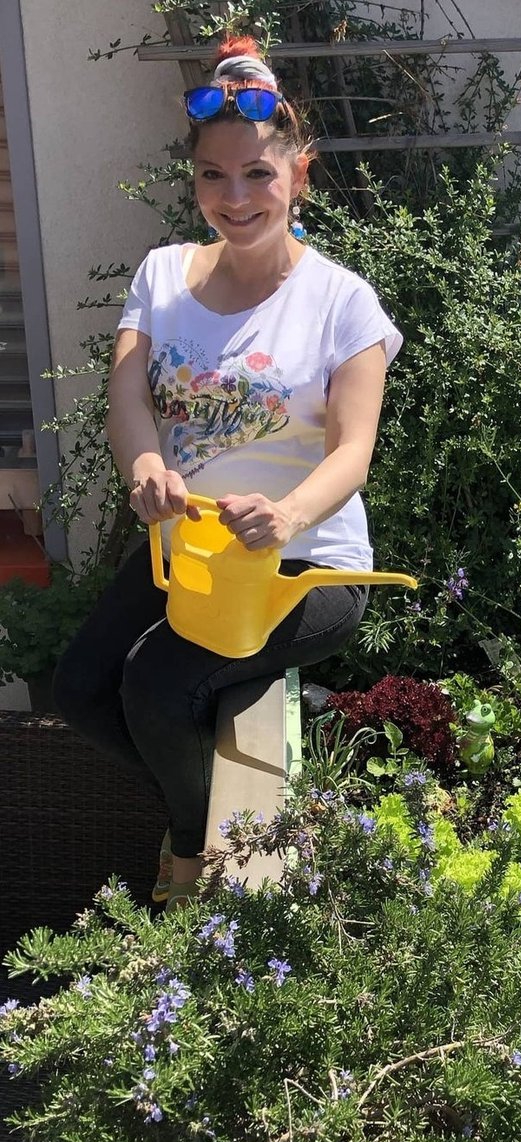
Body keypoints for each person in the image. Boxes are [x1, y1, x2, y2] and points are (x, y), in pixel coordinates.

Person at [53, 36, 402, 911]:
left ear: (299, 177)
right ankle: (217, 808)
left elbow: (353, 452)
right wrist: (143, 464)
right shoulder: (161, 276)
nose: (234, 198)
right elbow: (126, 396)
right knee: (82, 690)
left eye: (257, 175)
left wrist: (285, 516)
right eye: (214, 176)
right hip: (193, 555)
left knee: (154, 684)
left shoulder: (343, 302)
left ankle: (192, 859)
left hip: (301, 566)